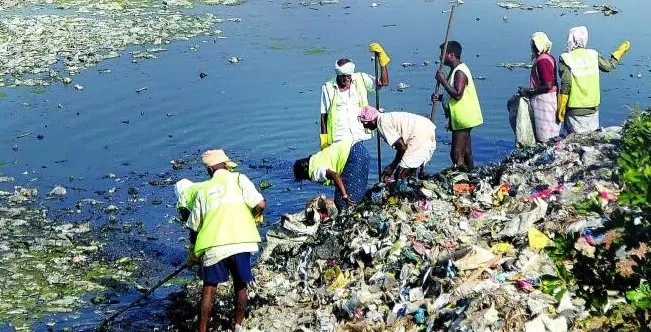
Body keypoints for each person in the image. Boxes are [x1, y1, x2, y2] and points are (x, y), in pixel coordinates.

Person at [186, 149, 266, 332]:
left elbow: (194, 226)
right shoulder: (239, 179)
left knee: (209, 288)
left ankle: (202, 329)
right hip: (241, 241)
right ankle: (238, 326)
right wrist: (255, 215)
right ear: (225, 164)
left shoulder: (203, 191)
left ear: (210, 169)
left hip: (214, 246)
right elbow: (261, 204)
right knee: (240, 285)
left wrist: (193, 251)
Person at [558, 26, 630, 134]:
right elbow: (608, 67)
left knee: (574, 141)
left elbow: (566, 83)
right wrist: (617, 54)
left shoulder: (565, 58)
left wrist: (561, 106)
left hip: (574, 109)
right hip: (593, 108)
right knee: (591, 137)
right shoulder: (593, 54)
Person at [320, 43, 391, 149]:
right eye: (342, 77)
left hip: (358, 135)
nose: (345, 80)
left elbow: (384, 82)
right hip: (338, 138)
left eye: (348, 76)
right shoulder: (328, 87)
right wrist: (324, 142)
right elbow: (323, 117)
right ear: (337, 75)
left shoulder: (361, 78)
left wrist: (382, 62)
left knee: (357, 162)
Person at [432, 41, 483, 169]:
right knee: (466, 152)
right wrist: (441, 98)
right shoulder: (455, 70)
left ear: (451, 54)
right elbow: (453, 94)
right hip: (463, 116)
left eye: (442, 54)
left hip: (463, 117)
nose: (440, 57)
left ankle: (462, 179)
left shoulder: (460, 71)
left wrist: (442, 81)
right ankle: (472, 175)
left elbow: (458, 94)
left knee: (455, 154)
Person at [358, 106, 436, 182]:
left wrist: (392, 167)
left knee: (400, 176)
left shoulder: (382, 123)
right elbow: (402, 147)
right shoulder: (387, 117)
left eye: (364, 123)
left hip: (419, 135)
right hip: (427, 127)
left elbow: (402, 147)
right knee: (409, 171)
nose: (364, 126)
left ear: (371, 121)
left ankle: (405, 193)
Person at [293, 139, 369, 211]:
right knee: (359, 192)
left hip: (353, 157)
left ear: (304, 173)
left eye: (304, 178)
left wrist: (344, 195)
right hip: (359, 148)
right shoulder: (315, 158)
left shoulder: (314, 172)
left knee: (343, 204)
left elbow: (334, 175)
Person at [518, 32, 560, 142]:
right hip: (550, 99)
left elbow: (547, 85)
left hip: (545, 102)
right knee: (551, 132)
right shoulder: (549, 58)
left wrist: (529, 91)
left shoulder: (543, 61)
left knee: (547, 136)